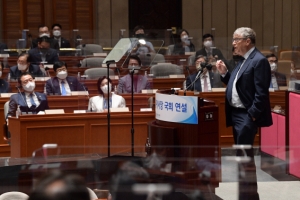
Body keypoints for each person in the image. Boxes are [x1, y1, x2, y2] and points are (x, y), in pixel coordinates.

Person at [216, 27, 272, 200]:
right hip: (237, 115)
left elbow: (261, 94)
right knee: (242, 158)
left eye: (236, 39)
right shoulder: (243, 60)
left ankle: (248, 197)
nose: (233, 43)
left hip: (246, 116)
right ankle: (247, 196)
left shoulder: (259, 60)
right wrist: (225, 74)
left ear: (248, 41)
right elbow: (238, 84)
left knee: (244, 159)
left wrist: (252, 116)